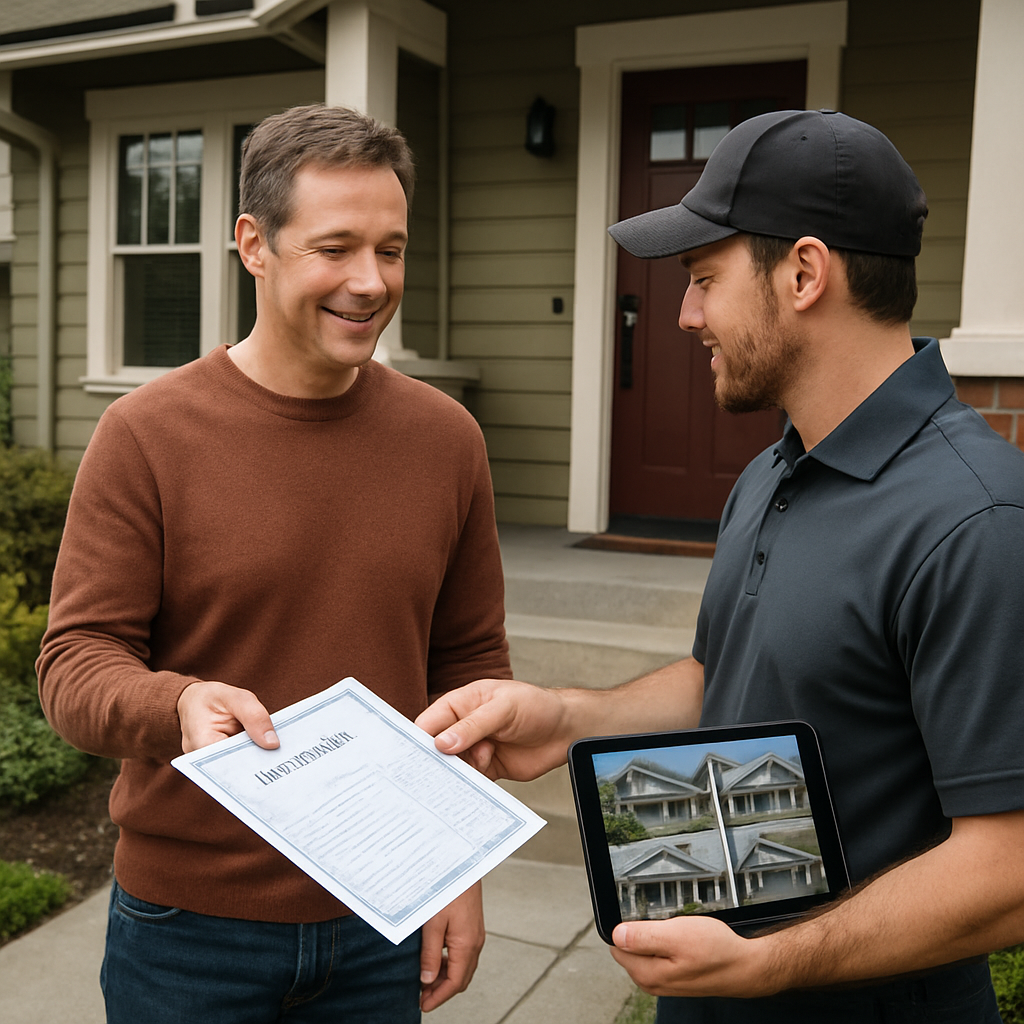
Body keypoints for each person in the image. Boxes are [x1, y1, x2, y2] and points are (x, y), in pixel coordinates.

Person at [416, 109, 1024, 1023]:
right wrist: (569, 717)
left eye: (705, 279)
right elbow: (729, 678)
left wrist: (771, 960)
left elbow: (1010, 865)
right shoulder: (775, 469)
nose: (685, 314)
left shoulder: (977, 519)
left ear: (806, 273)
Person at [37, 104, 511, 1023]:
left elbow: (470, 670)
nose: (371, 282)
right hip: (188, 933)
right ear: (254, 244)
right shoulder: (146, 434)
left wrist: (460, 868)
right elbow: (75, 662)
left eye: (393, 249)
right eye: (335, 248)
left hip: (383, 920)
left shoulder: (446, 440)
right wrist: (172, 704)